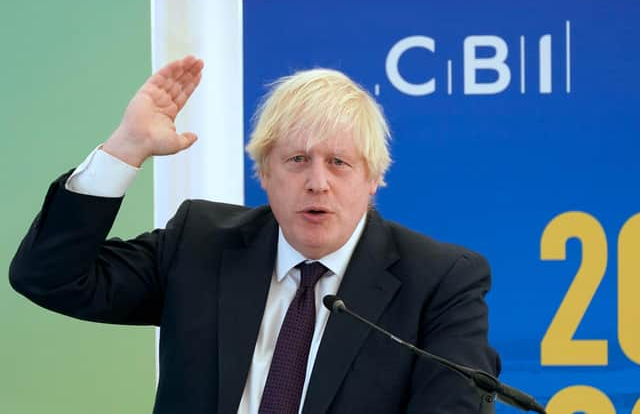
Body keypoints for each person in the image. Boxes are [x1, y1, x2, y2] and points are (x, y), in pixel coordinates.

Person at [10, 56, 500, 413]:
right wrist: (125, 149)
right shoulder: (200, 244)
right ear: (263, 172)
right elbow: (49, 276)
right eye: (296, 160)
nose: (317, 181)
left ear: (374, 178)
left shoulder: (439, 281)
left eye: (339, 163)